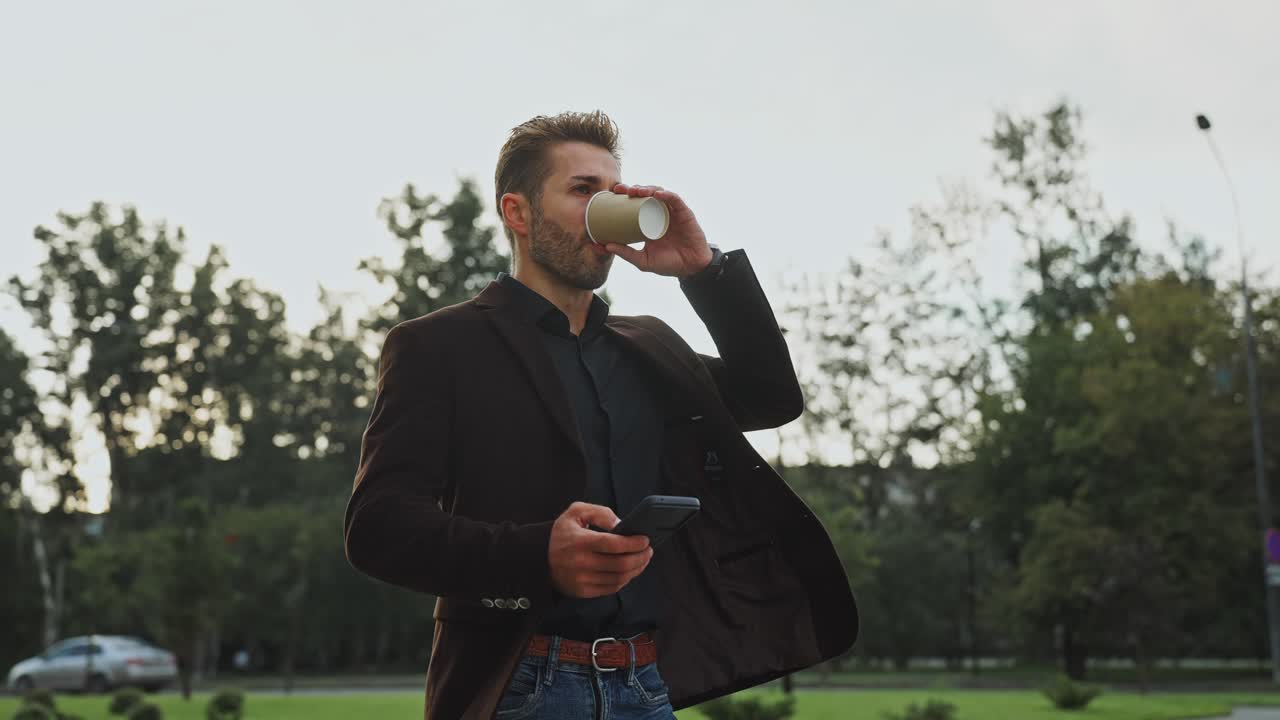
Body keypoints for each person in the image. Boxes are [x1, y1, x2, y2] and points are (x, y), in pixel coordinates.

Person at [344, 110, 858, 720]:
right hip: (518, 684)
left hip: (642, 684)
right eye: (583, 190)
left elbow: (771, 397)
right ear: (518, 213)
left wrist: (706, 270)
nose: (605, 209)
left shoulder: (646, 347)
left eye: (614, 193)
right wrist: (538, 555)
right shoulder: (438, 346)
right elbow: (378, 527)